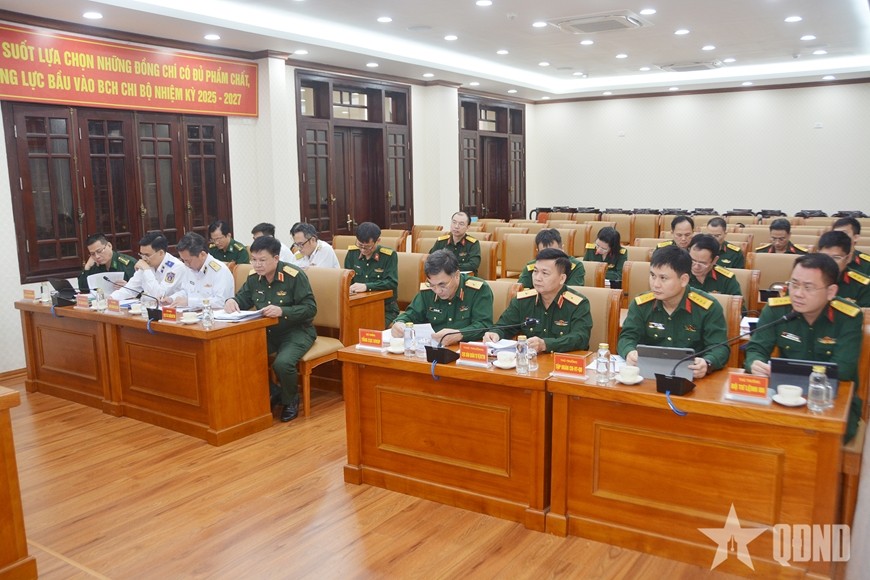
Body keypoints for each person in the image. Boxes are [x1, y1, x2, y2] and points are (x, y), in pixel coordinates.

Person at [744, 253, 863, 442]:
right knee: (753, 430)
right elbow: (756, 348)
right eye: (794, 284)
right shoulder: (777, 309)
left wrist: (788, 373)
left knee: (818, 440)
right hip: (783, 396)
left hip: (832, 399)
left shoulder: (848, 317)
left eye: (808, 287)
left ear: (831, 291)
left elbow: (843, 370)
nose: (798, 293)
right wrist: (755, 363)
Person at [224, 236, 316, 422]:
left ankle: (290, 400)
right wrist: (231, 301)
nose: (257, 265)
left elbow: (310, 309)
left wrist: (283, 311)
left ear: (276, 258)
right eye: (254, 260)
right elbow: (243, 298)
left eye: (262, 260)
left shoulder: (294, 276)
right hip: (267, 331)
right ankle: (276, 392)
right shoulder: (254, 278)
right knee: (241, 356)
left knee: (282, 364)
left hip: (297, 331)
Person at [618, 245, 729, 379]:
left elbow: (719, 347)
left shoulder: (707, 307)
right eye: (653, 275)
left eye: (663, 278)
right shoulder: (641, 304)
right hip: (648, 377)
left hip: (692, 379)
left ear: (683, 280)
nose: (655, 284)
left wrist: (707, 362)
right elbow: (627, 337)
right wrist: (629, 352)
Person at [482, 248, 591, 353]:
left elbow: (580, 338)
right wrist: (494, 333)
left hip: (563, 363)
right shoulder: (523, 301)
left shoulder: (578, 304)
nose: (537, 278)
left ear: (562, 278)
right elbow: (504, 326)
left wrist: (546, 344)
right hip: (530, 364)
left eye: (545, 273)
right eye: (535, 271)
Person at [391, 250, 493, 345]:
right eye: (432, 285)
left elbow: (484, 325)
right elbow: (411, 314)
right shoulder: (428, 290)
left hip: (465, 349)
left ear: (456, 275)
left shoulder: (478, 290)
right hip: (430, 349)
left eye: (442, 285)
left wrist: (459, 334)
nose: (438, 291)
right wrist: (399, 323)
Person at [344, 222, 399, 327]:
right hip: (358, 306)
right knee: (349, 327)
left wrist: (366, 287)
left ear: (378, 241)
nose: (363, 250)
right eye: (360, 245)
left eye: (367, 247)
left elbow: (392, 282)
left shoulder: (388, 256)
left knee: (370, 329)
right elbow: (347, 280)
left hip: (384, 308)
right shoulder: (352, 253)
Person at [108, 231, 186, 302]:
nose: (143, 258)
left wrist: (147, 270)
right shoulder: (146, 264)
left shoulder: (176, 267)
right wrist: (111, 298)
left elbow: (158, 296)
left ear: (161, 253)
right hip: (147, 309)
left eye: (147, 255)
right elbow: (130, 289)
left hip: (169, 312)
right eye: (142, 254)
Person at [168, 232, 234, 309]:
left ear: (202, 255)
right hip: (193, 315)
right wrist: (171, 299)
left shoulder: (220, 271)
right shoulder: (189, 268)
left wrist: (190, 302)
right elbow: (185, 291)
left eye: (188, 261)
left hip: (214, 317)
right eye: (183, 260)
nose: (186, 264)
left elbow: (220, 302)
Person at [687, 234, 745, 313]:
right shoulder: (679, 275)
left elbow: (739, 309)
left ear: (715, 260)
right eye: (692, 260)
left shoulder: (726, 279)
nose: (696, 267)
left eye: (702, 263)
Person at [816, 231, 870, 307]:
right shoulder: (806, 278)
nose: (829, 262)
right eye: (824, 257)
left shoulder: (863, 286)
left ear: (848, 258)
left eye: (836, 258)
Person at [518, 229, 584, 288]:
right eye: (544, 254)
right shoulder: (532, 267)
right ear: (538, 252)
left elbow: (572, 293)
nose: (549, 257)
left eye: (554, 253)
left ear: (562, 249)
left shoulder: (575, 267)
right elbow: (520, 291)